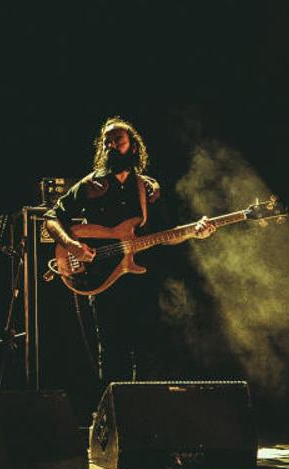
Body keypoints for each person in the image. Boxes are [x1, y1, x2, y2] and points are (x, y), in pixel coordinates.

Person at [44, 116, 215, 385]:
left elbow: (166, 234)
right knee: (112, 351)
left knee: (149, 351)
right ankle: (111, 418)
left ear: (133, 146)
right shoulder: (90, 186)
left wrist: (195, 230)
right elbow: (52, 218)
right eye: (107, 142)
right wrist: (71, 244)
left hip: (143, 278)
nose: (112, 146)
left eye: (118, 141)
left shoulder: (148, 189)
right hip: (102, 276)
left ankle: (143, 416)